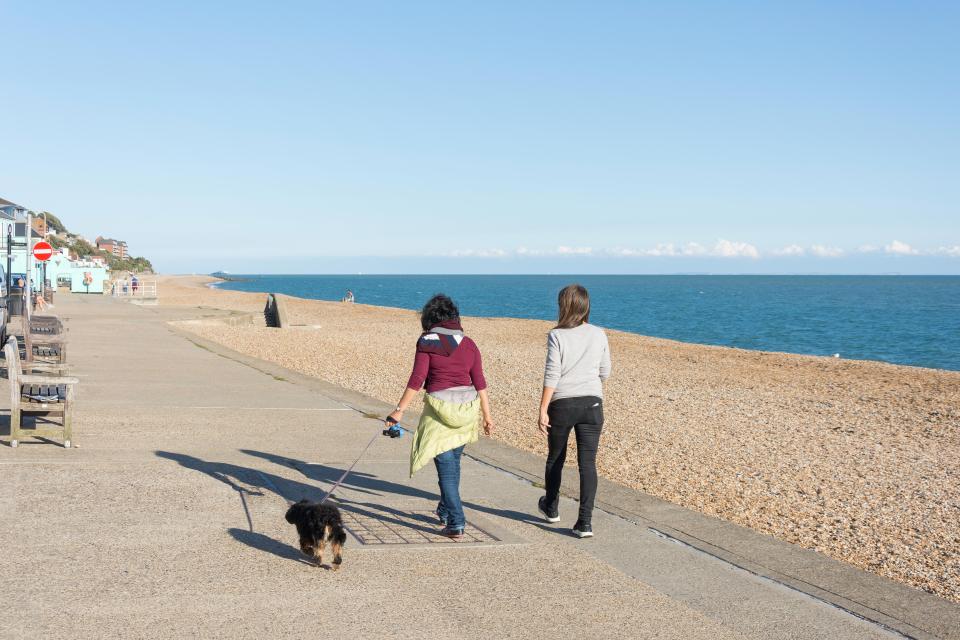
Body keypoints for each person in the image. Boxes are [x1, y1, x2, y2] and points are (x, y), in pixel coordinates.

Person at [386, 294, 493, 540]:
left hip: (440, 411)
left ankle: (456, 522)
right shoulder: (469, 343)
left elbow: (417, 379)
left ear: (430, 318)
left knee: (446, 471)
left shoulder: (427, 341)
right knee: (453, 465)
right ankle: (445, 510)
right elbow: (480, 383)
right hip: (467, 411)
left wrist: (399, 410)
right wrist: (487, 415)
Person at [537, 284, 611, 538]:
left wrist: (543, 408)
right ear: (585, 306)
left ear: (563, 306)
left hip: (563, 404)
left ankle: (551, 508)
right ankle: (585, 523)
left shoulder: (556, 335)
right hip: (592, 403)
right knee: (587, 463)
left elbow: (552, 374)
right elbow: (605, 372)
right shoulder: (599, 334)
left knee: (555, 458)